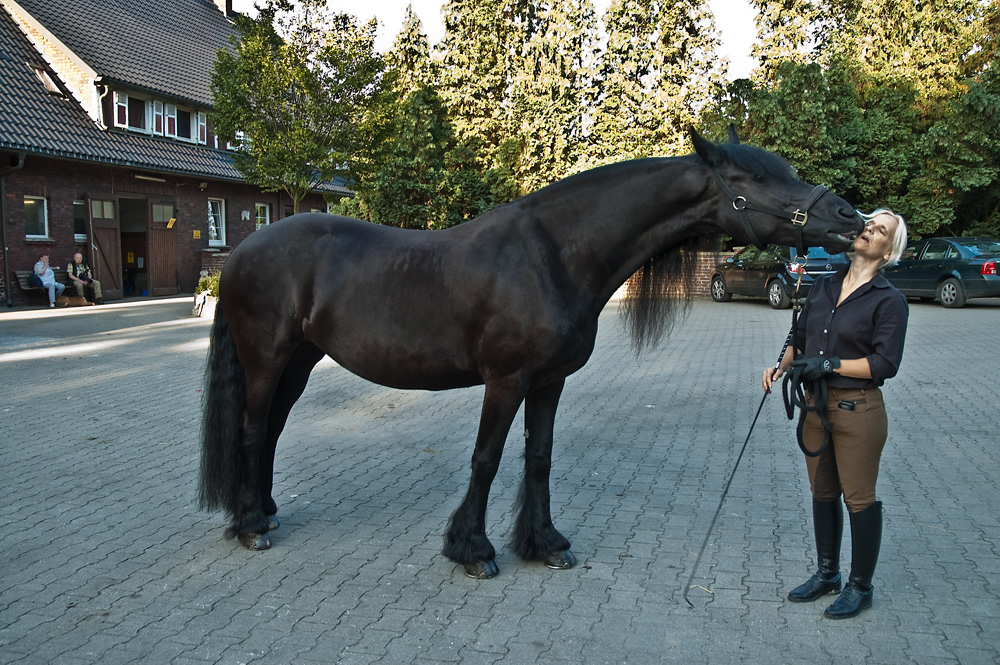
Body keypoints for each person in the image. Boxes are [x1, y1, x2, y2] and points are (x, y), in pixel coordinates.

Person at [762, 208, 909, 620]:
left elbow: (885, 364)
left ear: (888, 252)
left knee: (858, 498)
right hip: (816, 408)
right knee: (822, 493)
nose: (869, 231)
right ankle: (827, 574)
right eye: (869, 224)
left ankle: (860, 586)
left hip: (857, 410)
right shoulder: (825, 286)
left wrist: (830, 366)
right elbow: (800, 336)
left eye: (881, 230)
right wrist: (781, 365)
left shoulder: (889, 301)